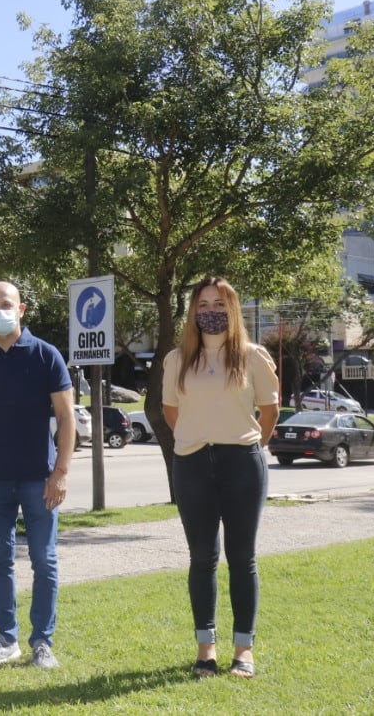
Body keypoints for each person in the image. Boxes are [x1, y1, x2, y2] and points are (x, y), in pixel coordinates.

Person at [0, 281, 76, 670]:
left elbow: (67, 417)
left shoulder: (46, 355)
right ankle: (6, 639)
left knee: (44, 560)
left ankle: (42, 642)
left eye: (5, 304)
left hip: (40, 479)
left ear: (21, 309)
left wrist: (61, 473)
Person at [162, 276, 279, 679]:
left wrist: (244, 444)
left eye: (220, 304)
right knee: (202, 559)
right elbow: (172, 413)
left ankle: (243, 650)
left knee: (242, 559)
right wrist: (199, 437)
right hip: (192, 465)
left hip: (242, 464)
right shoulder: (177, 360)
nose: (211, 311)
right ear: (194, 311)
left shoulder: (253, 356)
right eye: (204, 304)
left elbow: (269, 411)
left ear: (233, 310)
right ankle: (205, 649)